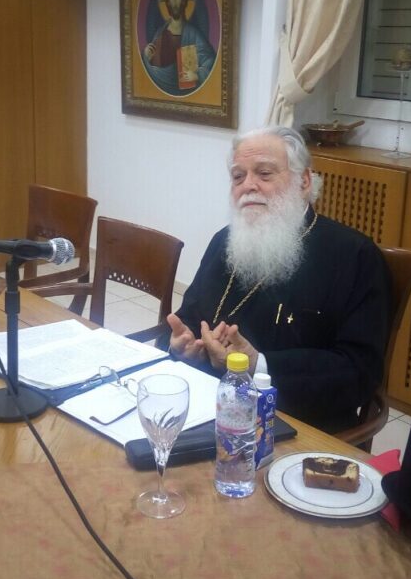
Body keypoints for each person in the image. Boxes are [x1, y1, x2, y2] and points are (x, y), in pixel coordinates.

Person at [166, 126, 391, 432]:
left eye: (264, 173)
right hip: (207, 406)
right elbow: (190, 316)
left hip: (295, 424)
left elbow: (359, 372)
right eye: (238, 176)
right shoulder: (224, 242)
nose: (249, 185)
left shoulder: (355, 255)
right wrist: (184, 345)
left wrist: (258, 365)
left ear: (304, 181)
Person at [142, 0, 215, 96]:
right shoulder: (160, 33)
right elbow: (150, 68)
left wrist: (197, 74)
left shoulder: (193, 34)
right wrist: (146, 56)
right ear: (167, 1)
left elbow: (210, 60)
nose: (175, 0)